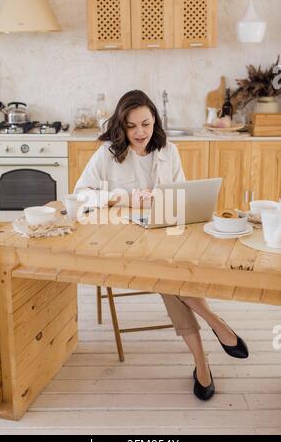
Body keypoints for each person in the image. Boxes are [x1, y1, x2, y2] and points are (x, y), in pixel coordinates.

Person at [74, 90, 249, 401]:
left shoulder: (169, 151)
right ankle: (216, 325)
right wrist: (122, 197)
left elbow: (181, 195)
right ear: (121, 125)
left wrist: (166, 201)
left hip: (163, 231)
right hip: (124, 240)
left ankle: (202, 363)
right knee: (170, 274)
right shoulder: (106, 154)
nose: (141, 132)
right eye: (132, 126)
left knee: (169, 272)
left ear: (155, 120)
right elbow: (80, 195)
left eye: (147, 123)